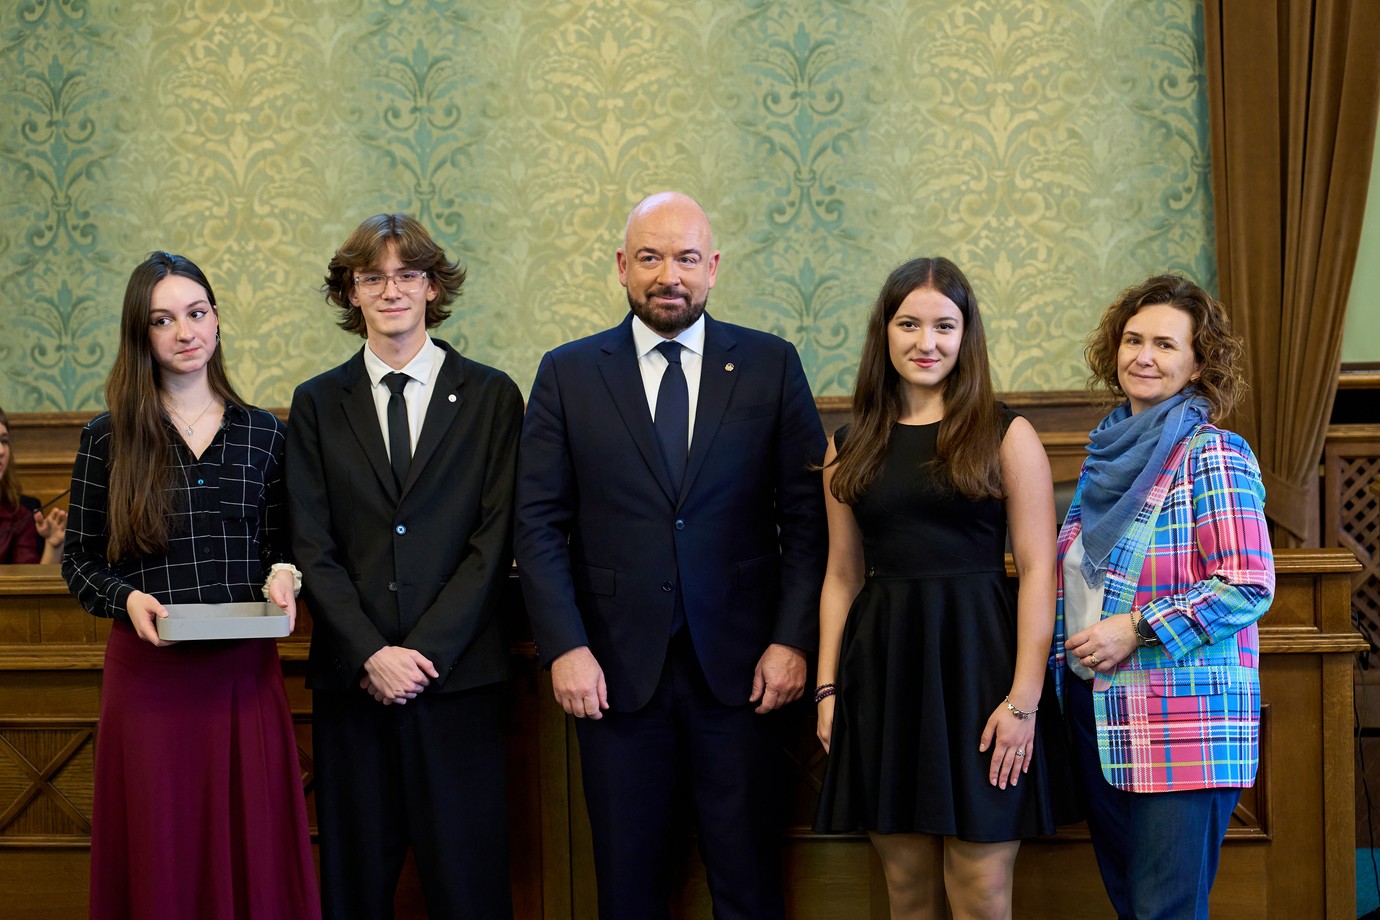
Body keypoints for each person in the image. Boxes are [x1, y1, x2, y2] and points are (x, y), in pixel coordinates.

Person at [514, 191, 828, 920]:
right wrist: (565, 647)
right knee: (628, 887)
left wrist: (791, 640)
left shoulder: (770, 365)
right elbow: (537, 524)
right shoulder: (567, 373)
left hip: (747, 673)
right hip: (612, 673)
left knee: (748, 884)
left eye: (686, 258)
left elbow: (809, 519)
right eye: (650, 258)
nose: (669, 276)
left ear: (712, 267)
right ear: (622, 266)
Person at [812, 258, 1072, 919]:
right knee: (907, 893)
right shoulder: (849, 444)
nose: (926, 342)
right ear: (884, 331)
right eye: (909, 324)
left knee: (981, 891)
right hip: (885, 673)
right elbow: (841, 575)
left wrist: (1023, 701)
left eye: (944, 326)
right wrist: (827, 690)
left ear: (965, 335)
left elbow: (1039, 570)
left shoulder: (1006, 434)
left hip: (981, 670)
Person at [61, 252, 318, 920]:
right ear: (140, 334)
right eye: (162, 320)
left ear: (217, 320)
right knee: (160, 856)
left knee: (252, 848)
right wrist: (126, 599)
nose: (185, 332)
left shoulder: (266, 433)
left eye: (196, 313)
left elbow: (284, 547)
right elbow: (79, 560)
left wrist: (285, 577)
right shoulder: (106, 438)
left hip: (243, 675)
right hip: (150, 678)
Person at [286, 213, 522, 920]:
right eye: (372, 277)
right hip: (353, 688)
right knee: (354, 892)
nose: (391, 291)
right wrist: (371, 654)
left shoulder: (491, 397)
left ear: (432, 287)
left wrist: (421, 656)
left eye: (407, 275)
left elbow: (494, 543)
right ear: (351, 292)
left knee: (470, 892)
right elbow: (312, 546)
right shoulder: (317, 404)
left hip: (459, 684)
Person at [1055, 274, 1274, 918]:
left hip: (1183, 724)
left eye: (1165, 344)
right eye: (1133, 340)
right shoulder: (1104, 456)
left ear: (1198, 363)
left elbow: (1248, 584)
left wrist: (1137, 626)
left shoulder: (1214, 453)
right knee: (1132, 905)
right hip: (1098, 713)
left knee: (1164, 910)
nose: (1143, 356)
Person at [0, 406, 67, 564]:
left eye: (4, 441)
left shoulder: (20, 514)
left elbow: (28, 577)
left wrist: (53, 546)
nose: (1, 451)